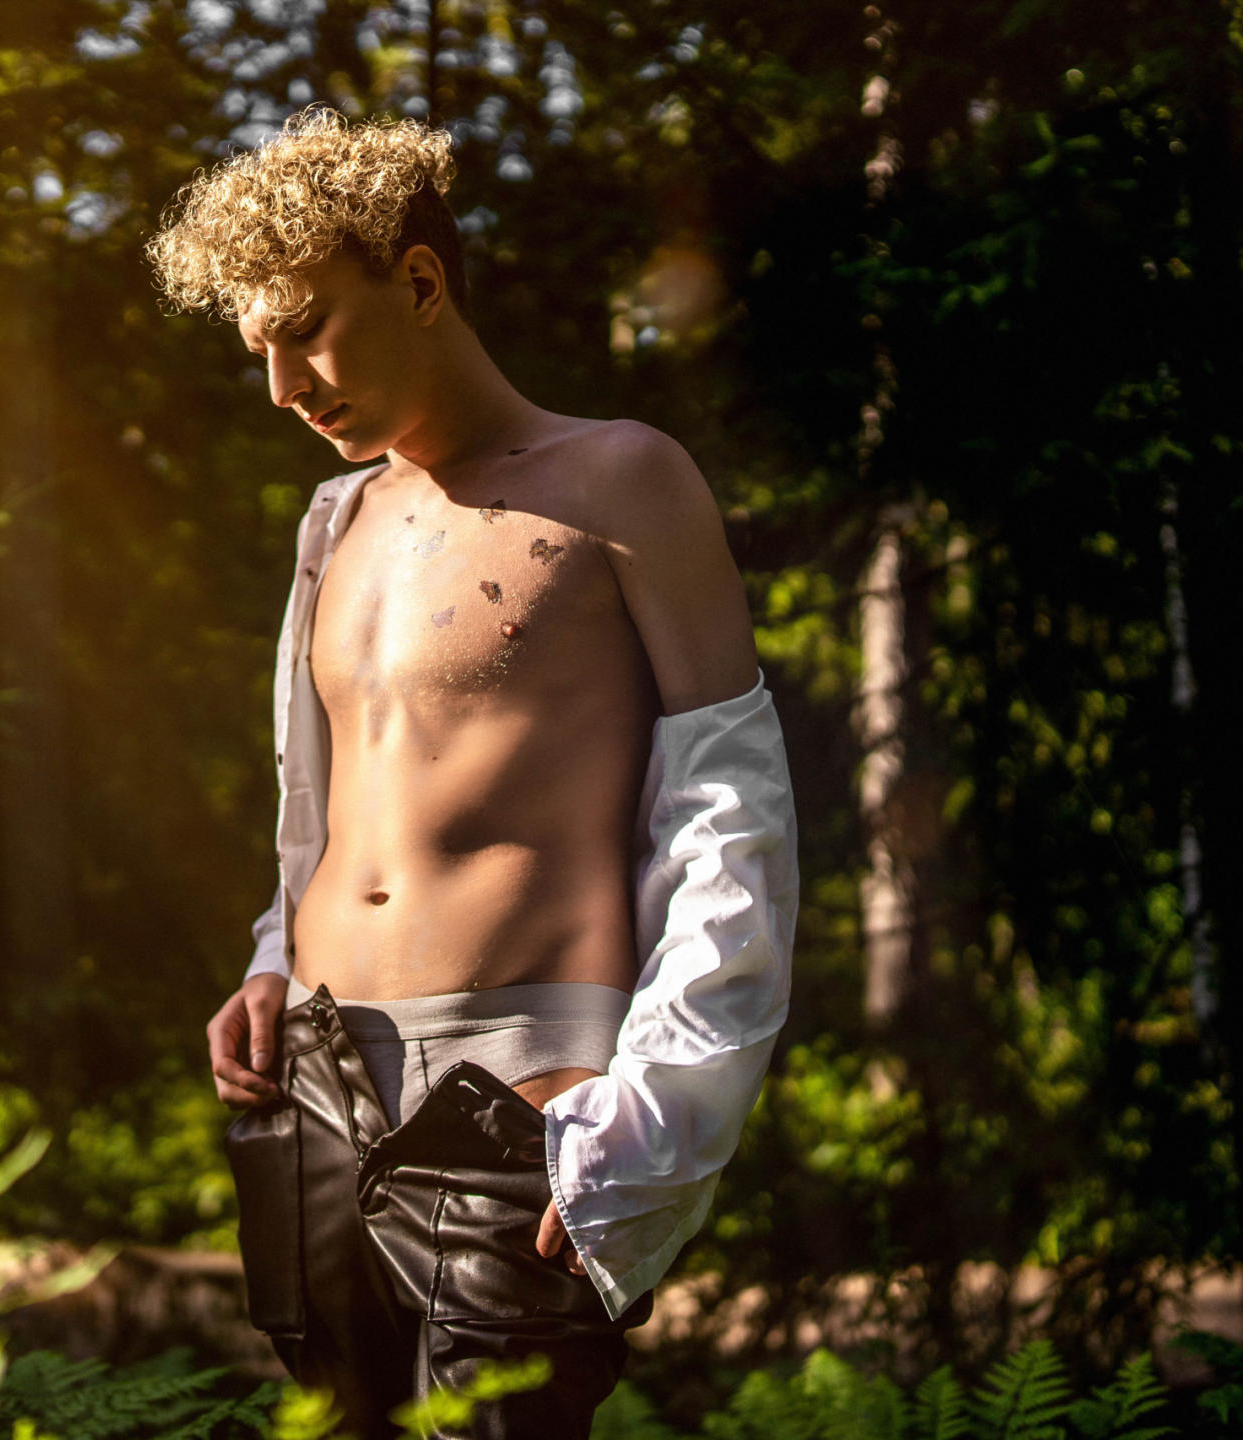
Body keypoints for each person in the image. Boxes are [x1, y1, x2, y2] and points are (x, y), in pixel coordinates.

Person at [146, 108, 800, 1437]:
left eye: (305, 330)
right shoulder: (334, 521)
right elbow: (324, 805)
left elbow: (733, 813)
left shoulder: (621, 480)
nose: (283, 387)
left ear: (421, 281)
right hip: (312, 1083)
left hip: (518, 1098)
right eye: (258, 350)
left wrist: (655, 1112)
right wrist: (272, 959)